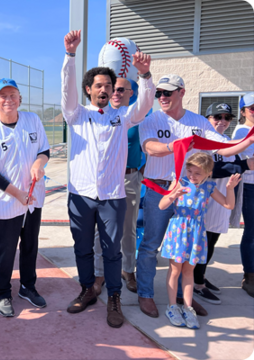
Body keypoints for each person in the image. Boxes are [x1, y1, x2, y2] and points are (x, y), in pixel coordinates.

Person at [138, 77, 254, 318]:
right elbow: (150, 148)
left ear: (182, 92)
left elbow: (221, 147)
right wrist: (177, 145)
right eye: (159, 92)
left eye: (168, 92)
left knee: (187, 248)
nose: (162, 97)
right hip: (161, 189)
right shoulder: (151, 119)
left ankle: (184, 299)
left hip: (190, 191)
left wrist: (248, 140)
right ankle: (146, 294)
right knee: (151, 245)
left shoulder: (198, 122)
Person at [61, 30, 155, 328]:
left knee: (112, 252)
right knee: (83, 248)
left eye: (109, 85)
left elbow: (144, 104)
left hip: (113, 197)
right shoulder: (77, 115)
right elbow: (66, 90)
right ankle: (87, 289)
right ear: (88, 89)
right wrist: (70, 56)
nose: (105, 89)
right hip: (81, 195)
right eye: (98, 85)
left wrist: (146, 76)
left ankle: (114, 298)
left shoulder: (122, 116)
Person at [0, 78, 50, 317]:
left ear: (19, 98)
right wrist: (18, 194)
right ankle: (4, 292)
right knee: (5, 251)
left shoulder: (32, 120)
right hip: (7, 202)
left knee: (30, 246)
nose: (8, 100)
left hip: (33, 199)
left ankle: (28, 287)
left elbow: (44, 150)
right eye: (3, 96)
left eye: (13, 95)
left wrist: (39, 163)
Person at [159, 153, 240, 329]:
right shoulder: (180, 182)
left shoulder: (209, 186)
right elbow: (162, 205)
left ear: (208, 173)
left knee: (189, 271)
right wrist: (173, 195)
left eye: (197, 173)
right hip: (179, 229)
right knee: (175, 270)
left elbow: (229, 205)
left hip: (196, 232)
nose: (192, 176)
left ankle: (188, 308)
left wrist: (230, 188)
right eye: (190, 171)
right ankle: (172, 306)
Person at [93, 78, 143, 295]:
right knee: (100, 230)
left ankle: (128, 270)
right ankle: (99, 272)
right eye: (113, 88)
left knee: (128, 228)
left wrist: (141, 172)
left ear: (131, 93)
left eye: (121, 89)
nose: (115, 92)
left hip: (129, 178)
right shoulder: (99, 115)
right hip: (105, 180)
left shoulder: (138, 117)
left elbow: (149, 146)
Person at [194, 103, 238, 304]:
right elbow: (211, 169)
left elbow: (235, 168)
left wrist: (237, 166)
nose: (222, 121)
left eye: (227, 118)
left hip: (221, 199)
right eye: (216, 117)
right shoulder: (202, 142)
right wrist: (240, 165)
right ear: (207, 119)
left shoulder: (229, 142)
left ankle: (200, 277)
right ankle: (197, 283)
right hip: (206, 200)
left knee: (212, 242)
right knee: (202, 243)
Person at [232, 92, 254, 298]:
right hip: (250, 186)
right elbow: (247, 159)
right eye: (252, 108)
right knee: (252, 232)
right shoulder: (241, 131)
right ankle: (249, 276)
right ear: (243, 111)